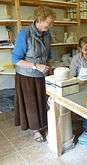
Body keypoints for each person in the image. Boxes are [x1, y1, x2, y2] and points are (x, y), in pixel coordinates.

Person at [12, 6, 56, 142]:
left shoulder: (47, 35)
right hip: (26, 76)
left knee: (42, 101)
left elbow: (48, 54)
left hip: (42, 75)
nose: (51, 24)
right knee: (31, 103)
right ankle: (35, 130)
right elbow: (16, 59)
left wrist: (51, 66)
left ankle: (42, 124)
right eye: (49, 22)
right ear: (40, 20)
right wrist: (35, 66)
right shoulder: (24, 34)